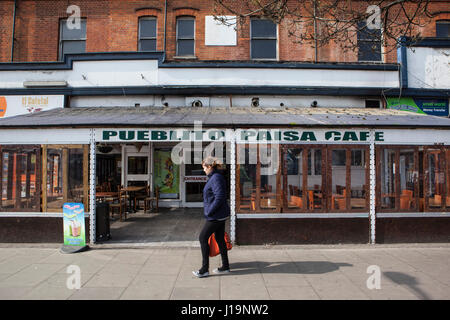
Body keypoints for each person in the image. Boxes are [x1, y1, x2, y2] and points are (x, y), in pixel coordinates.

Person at [192, 156, 230, 278]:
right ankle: (225, 266)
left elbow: (219, 197)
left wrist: (209, 211)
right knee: (219, 239)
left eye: (204, 168)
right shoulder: (215, 177)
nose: (203, 170)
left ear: (209, 166)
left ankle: (204, 269)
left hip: (215, 216)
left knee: (202, 238)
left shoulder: (216, 178)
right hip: (219, 214)